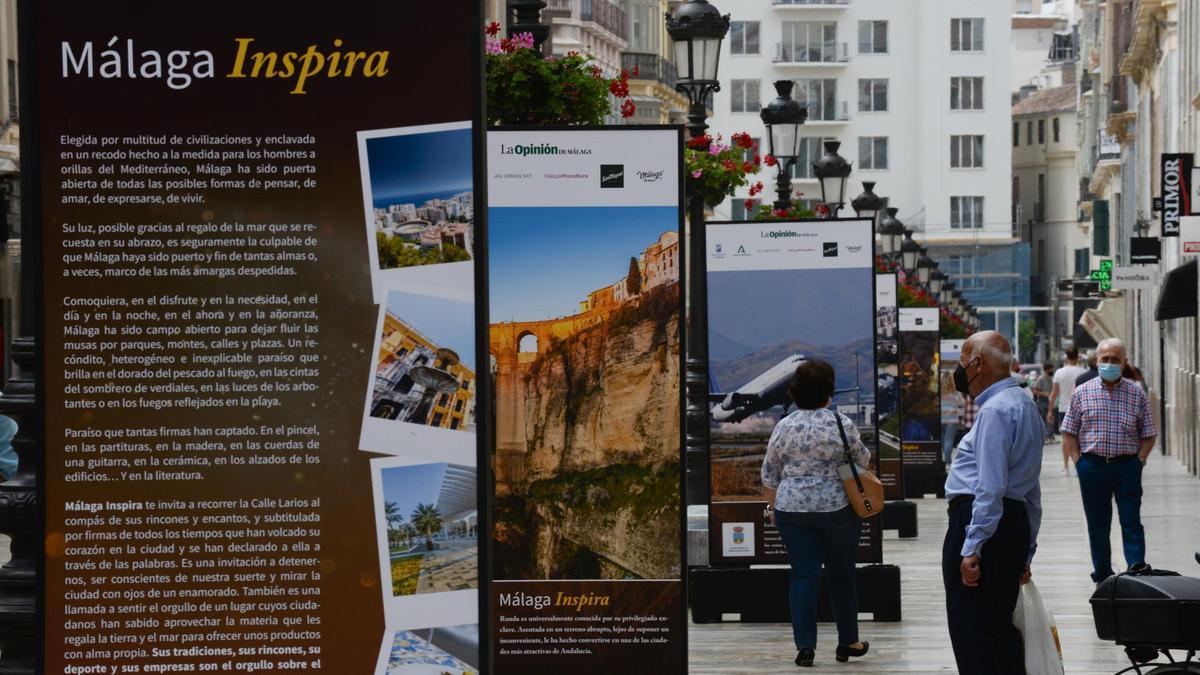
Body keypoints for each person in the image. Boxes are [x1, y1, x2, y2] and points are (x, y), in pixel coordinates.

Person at [943, 331, 1044, 675]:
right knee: (1000, 629)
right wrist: (1027, 547)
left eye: (962, 362)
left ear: (978, 363)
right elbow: (1032, 491)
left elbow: (989, 487)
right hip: (1011, 524)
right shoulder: (1025, 405)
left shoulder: (995, 411)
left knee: (972, 629)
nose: (959, 372)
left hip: (983, 524)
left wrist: (972, 547)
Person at [761, 359, 870, 668]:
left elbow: (769, 473)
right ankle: (848, 641)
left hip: (792, 509)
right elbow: (863, 460)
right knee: (841, 575)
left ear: (795, 392)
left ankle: (805, 647)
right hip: (836, 508)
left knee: (803, 575)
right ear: (829, 392)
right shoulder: (840, 423)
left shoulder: (784, 425)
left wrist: (772, 507)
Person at [1060, 337, 1157, 583]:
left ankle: (1136, 568)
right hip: (1092, 465)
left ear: (1124, 363)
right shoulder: (1082, 392)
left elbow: (1149, 433)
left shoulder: (1136, 392)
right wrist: (1078, 461)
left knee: (1131, 520)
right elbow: (1069, 430)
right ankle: (1102, 573)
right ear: (1097, 360)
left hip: (1127, 466)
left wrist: (1140, 461)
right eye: (1105, 359)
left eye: (1116, 359)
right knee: (1097, 523)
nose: (1110, 364)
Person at [1048, 347, 1087, 475]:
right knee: (1079, 437)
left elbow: (1053, 394)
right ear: (1077, 357)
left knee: (1066, 438)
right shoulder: (1083, 372)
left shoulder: (1059, 372)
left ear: (1066, 357)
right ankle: (1078, 466)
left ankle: (1065, 467)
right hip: (1081, 407)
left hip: (1064, 408)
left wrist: (1049, 410)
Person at [1032, 364, 1055, 439]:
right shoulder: (1041, 379)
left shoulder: (1051, 378)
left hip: (1049, 402)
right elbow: (1035, 391)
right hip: (1042, 402)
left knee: (1050, 419)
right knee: (1044, 420)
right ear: (1047, 369)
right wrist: (1044, 393)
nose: (1053, 371)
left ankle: (1050, 435)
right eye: (1051, 369)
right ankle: (1046, 436)